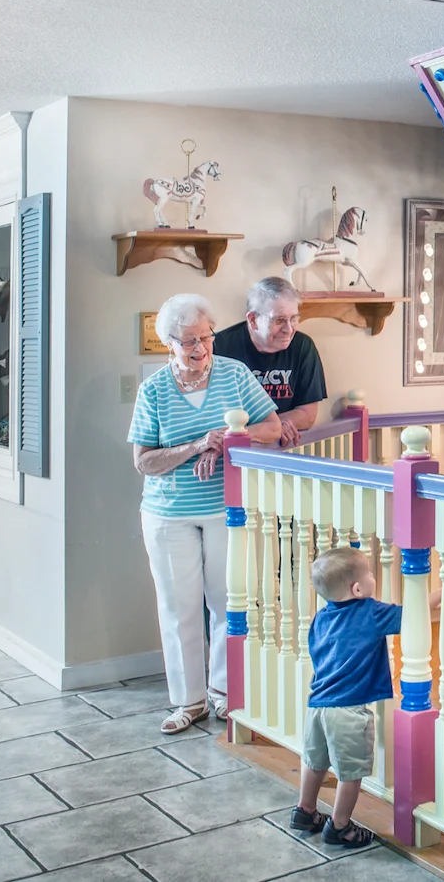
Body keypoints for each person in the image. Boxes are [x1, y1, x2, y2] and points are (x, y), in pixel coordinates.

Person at [129, 293, 282, 734]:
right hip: (168, 514)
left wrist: (226, 438)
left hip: (225, 508)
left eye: (206, 337)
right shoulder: (154, 390)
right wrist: (197, 446)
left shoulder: (234, 374)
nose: (200, 348)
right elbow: (144, 461)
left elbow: (271, 427)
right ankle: (188, 700)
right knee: (179, 608)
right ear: (169, 343)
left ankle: (223, 692)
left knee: (228, 601)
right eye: (189, 341)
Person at [284, 546, 401, 849]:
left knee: (315, 762)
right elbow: (409, 615)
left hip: (318, 706)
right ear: (357, 588)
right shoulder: (370, 612)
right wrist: (442, 596)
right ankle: (340, 826)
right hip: (348, 711)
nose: (374, 577)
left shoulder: (321, 619)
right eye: (369, 573)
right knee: (351, 774)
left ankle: (305, 810)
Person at [213, 278, 327, 447]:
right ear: (253, 320)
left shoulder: (303, 346)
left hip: (280, 449)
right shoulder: (219, 347)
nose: (289, 329)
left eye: (294, 318)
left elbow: (307, 414)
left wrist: (268, 429)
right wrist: (268, 429)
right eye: (279, 320)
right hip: (228, 450)